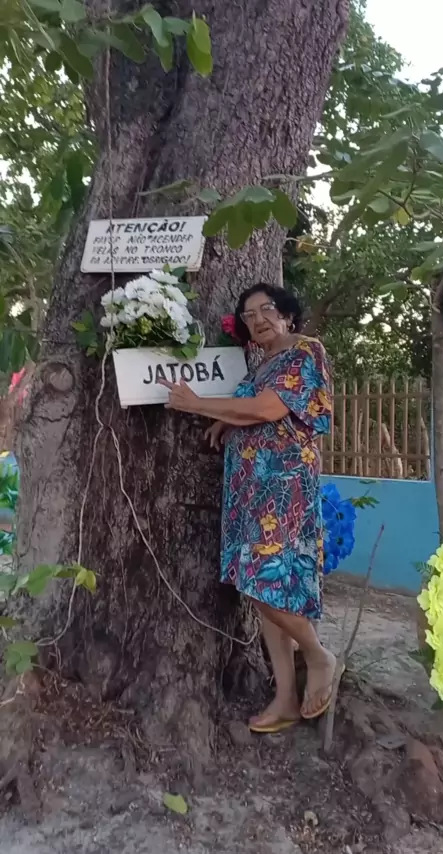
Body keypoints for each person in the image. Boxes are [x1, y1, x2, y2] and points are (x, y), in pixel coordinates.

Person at [159, 283, 337, 733]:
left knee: (261, 583)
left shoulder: (305, 352)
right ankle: (285, 699)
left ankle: (318, 655)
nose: (258, 319)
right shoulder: (263, 364)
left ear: (288, 314)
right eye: (249, 315)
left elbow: (269, 408)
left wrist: (199, 405)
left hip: (282, 489)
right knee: (265, 591)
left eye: (267, 309)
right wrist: (225, 420)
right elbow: (249, 405)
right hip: (249, 491)